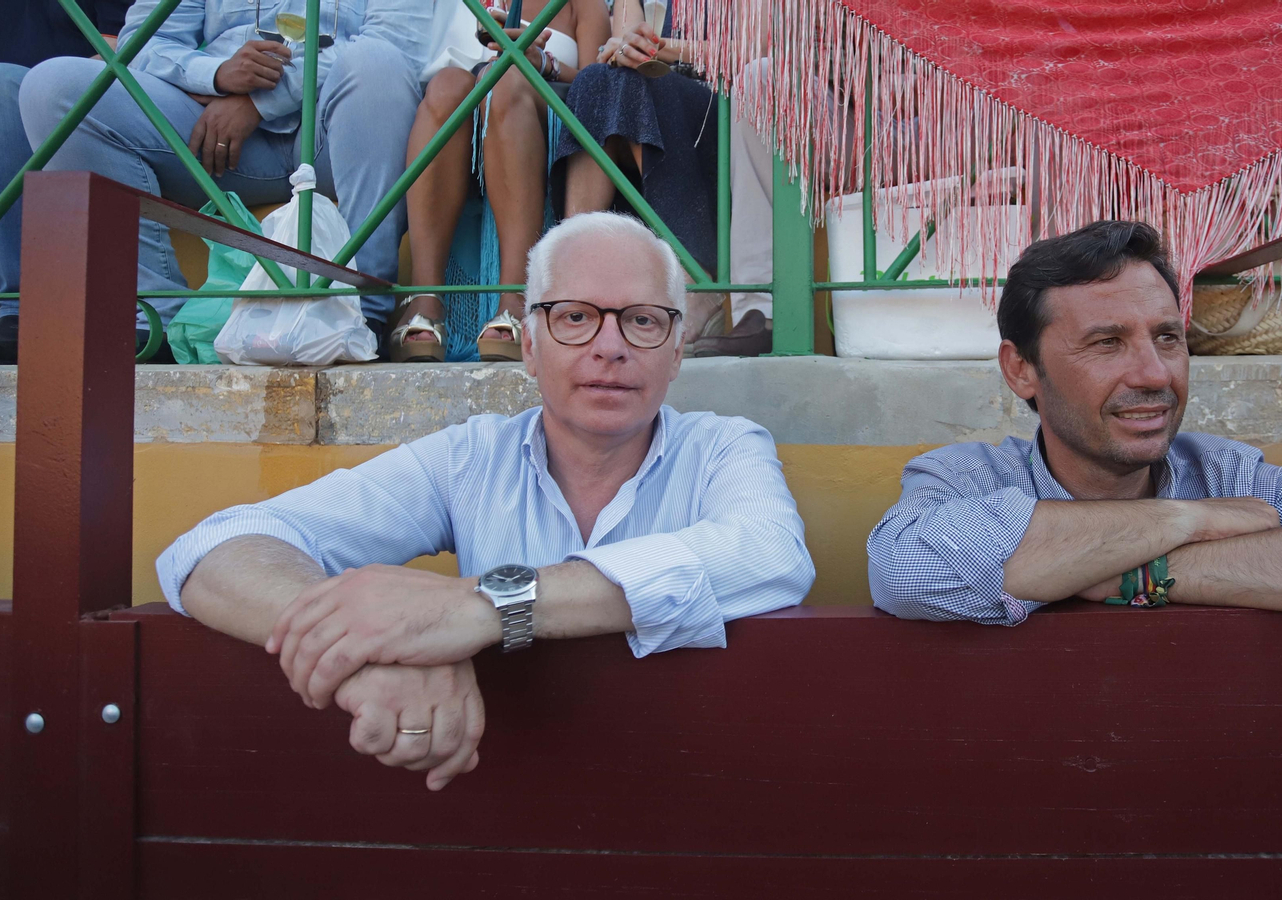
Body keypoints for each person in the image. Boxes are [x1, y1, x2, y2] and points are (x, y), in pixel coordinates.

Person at [157, 212, 815, 790]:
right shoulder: (467, 459)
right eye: (575, 317)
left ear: (675, 353)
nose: (610, 347)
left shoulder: (724, 448)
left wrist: (485, 606)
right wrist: (364, 654)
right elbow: (212, 548)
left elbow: (770, 555)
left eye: (642, 320)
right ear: (529, 346)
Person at [867, 221, 1282, 639]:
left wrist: (1136, 573)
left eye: (1167, 338)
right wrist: (1190, 519)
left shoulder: (1233, 474)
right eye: (1106, 343)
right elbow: (908, 571)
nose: (1155, 373)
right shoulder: (965, 478)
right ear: (1021, 370)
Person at [17, 0, 433, 346]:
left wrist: (259, 102)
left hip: (337, 135)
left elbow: (400, 43)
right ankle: (153, 318)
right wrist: (215, 74)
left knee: (378, 62)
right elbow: (141, 43)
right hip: (213, 135)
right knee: (54, 87)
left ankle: (363, 311)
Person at [392, 0, 609, 363]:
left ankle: (516, 298)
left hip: (546, 114)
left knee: (505, 78)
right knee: (446, 84)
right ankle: (425, 299)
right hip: (466, 118)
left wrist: (543, 62)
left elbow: (601, 85)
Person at [553, 0, 719, 337]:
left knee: (651, 87)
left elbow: (759, 48)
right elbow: (625, 43)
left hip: (725, 99)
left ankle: (695, 281)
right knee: (594, 78)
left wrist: (665, 49)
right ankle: (574, 275)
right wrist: (627, 49)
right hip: (651, 96)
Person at [0, 0, 133, 364]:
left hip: (84, 102)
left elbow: (125, 44)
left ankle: (24, 306)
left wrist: (44, 93)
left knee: (1, 87)